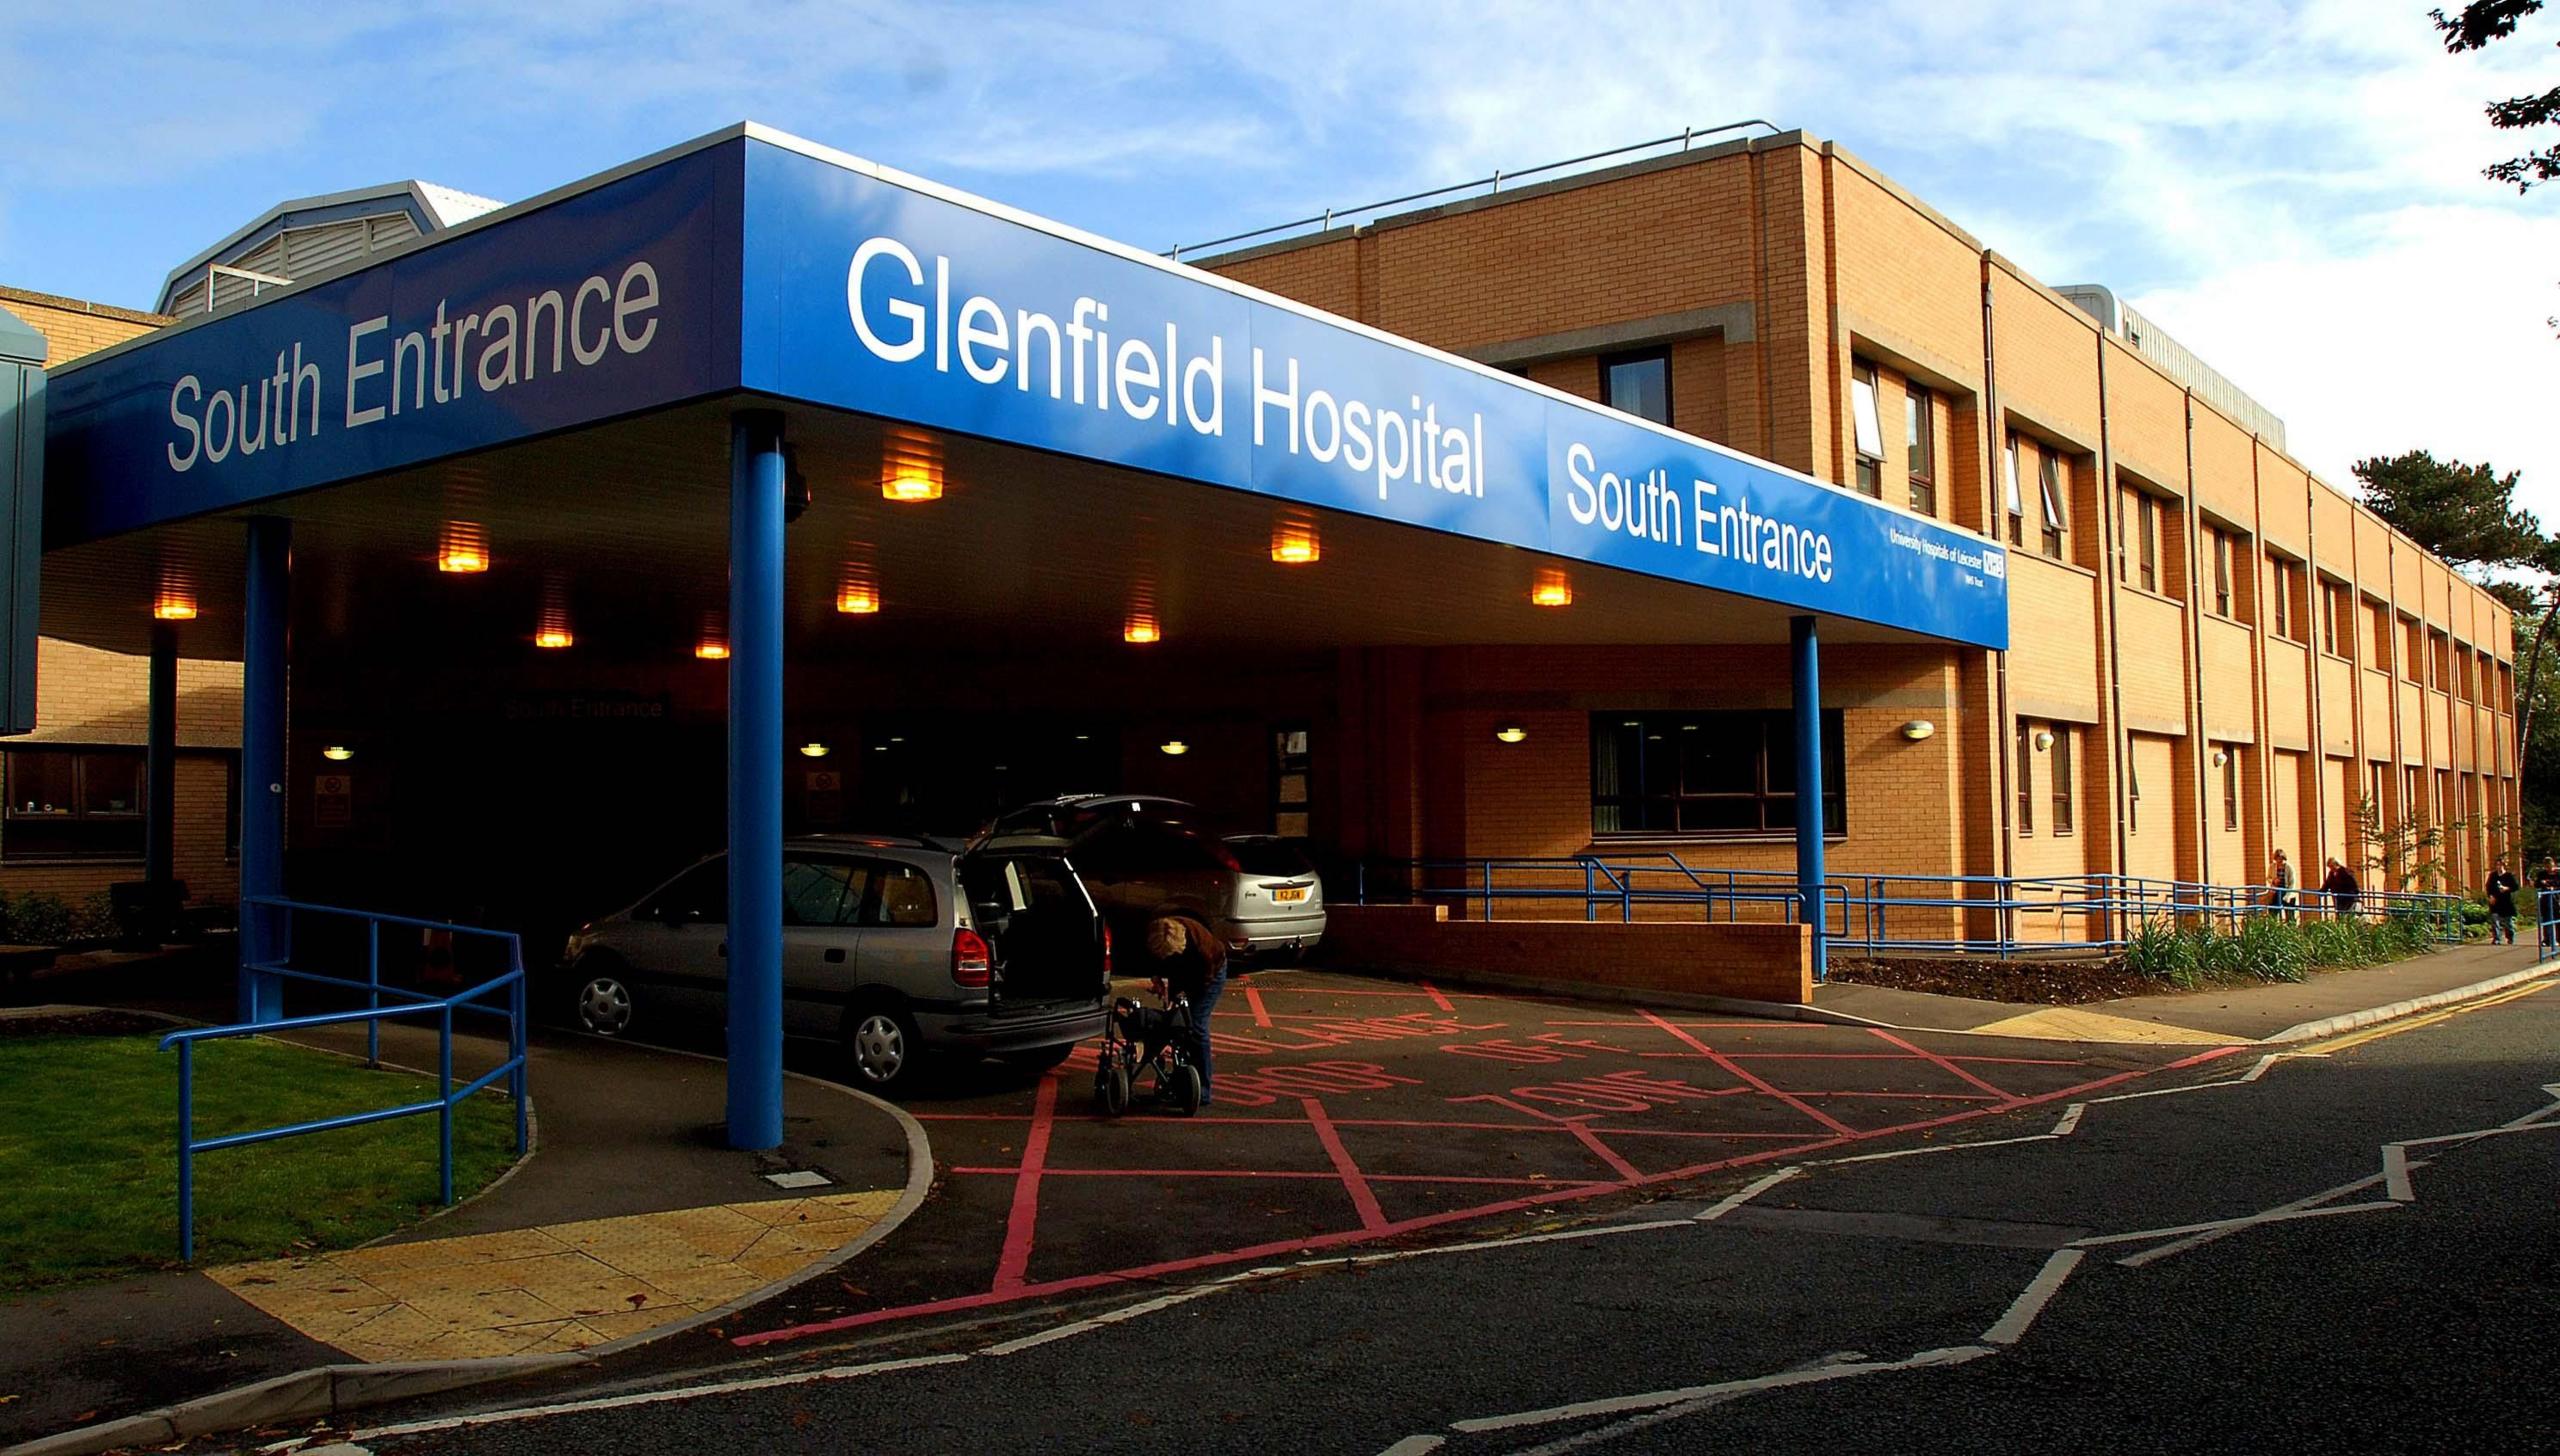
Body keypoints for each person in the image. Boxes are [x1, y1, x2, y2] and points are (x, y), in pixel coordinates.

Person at [1143, 913, 1228, 1105]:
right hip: (1185, 972)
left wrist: (1181, 999)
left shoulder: (1201, 949)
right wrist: (1157, 978)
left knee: (1195, 1026)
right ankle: (1183, 1075)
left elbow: (1201, 981)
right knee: (1176, 1023)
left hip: (1212, 973)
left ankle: (1204, 1091)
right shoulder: (1157, 934)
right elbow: (1158, 961)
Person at [2484, 859, 2521, 945]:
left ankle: (2510, 937)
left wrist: (2506, 888)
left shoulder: (2509, 875)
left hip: (2506, 901)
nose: (2498, 867)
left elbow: (2515, 887)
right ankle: (2496, 938)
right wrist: (2490, 896)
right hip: (2495, 901)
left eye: (2500, 865)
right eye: (2497, 865)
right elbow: (2488, 887)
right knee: (2495, 920)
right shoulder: (2493, 875)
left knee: (2508, 923)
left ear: (2504, 866)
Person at [2321, 857, 2360, 921]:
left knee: (2346, 913)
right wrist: (2322, 891)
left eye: (2331, 866)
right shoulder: (2332, 873)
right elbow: (2328, 883)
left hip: (2347, 897)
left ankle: (2345, 925)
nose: (2331, 868)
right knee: (2339, 912)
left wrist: (2354, 893)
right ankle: (2341, 923)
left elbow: (2353, 884)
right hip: (2339, 897)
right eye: (2329, 867)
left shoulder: (2345, 872)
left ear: (2336, 864)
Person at [2535, 856, 2560, 951]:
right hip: (2546, 900)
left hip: (2556, 900)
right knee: (2546, 919)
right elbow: (2537, 884)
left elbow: (2558, 883)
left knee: (2558, 919)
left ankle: (2559, 939)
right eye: (2547, 866)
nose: (2549, 868)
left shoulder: (2558, 874)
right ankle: (2547, 939)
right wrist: (2543, 883)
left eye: (2550, 866)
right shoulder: (2542, 874)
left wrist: (2551, 884)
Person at [2268, 850, 2297, 923]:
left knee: (2289, 913)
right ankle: (2273, 925)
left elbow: (2292, 883)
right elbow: (2268, 877)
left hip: (2287, 891)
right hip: (2276, 891)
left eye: (2281, 859)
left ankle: (2291, 927)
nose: (2279, 861)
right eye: (2277, 859)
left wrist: (2287, 896)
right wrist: (2273, 881)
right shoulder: (2272, 867)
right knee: (2273, 910)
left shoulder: (2289, 868)